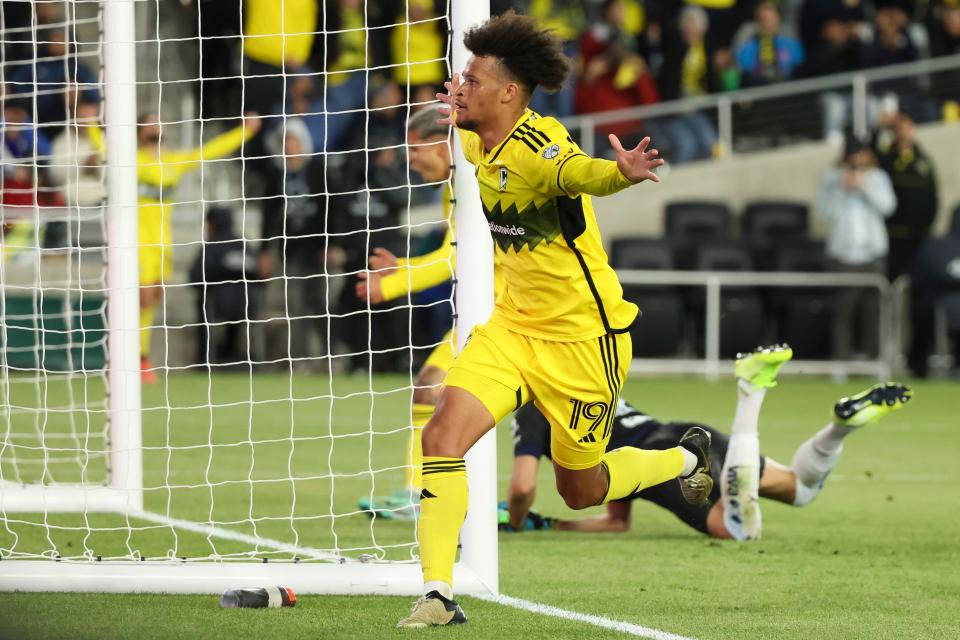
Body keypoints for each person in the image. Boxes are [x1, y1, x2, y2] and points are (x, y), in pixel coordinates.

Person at [397, 12, 712, 628]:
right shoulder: (471, 136)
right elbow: (452, 147)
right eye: (461, 75)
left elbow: (576, 171)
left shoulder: (541, 148)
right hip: (512, 329)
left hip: (583, 343)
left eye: (473, 78)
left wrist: (618, 173)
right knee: (442, 435)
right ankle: (438, 593)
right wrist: (446, 116)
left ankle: (686, 460)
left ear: (509, 93)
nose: (459, 86)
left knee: (580, 491)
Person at [504, 345, 913, 538]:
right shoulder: (584, 386)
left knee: (740, 530)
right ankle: (840, 427)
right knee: (801, 490)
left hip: (665, 462)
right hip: (688, 433)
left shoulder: (533, 409)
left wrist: (520, 523)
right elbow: (617, 520)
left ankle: (751, 391)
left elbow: (522, 486)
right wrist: (556, 524)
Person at [89, 113, 261, 383]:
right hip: (136, 242)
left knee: (152, 300)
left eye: (161, 121)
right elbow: (104, 147)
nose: (158, 125)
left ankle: (140, 358)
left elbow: (211, 151)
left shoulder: (173, 162)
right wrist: (88, 123)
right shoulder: (131, 160)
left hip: (162, 243)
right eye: (152, 122)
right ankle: (127, 358)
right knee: (141, 299)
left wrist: (245, 132)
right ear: (140, 130)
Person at [816, 135, 896, 360]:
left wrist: (864, 187)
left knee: (873, 311)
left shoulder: (878, 178)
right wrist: (842, 189)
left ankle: (873, 361)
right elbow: (823, 215)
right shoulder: (831, 179)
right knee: (843, 312)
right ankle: (841, 360)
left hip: (873, 254)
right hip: (843, 255)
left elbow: (888, 207)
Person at [871, 112, 939, 283]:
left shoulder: (923, 160)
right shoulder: (886, 159)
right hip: (893, 238)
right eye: (899, 128)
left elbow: (933, 196)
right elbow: (870, 154)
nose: (904, 132)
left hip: (919, 238)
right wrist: (879, 128)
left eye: (907, 127)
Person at [734, 1, 805, 87]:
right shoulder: (749, 38)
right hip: (758, 83)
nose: (766, 21)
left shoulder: (788, 37)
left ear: (778, 17)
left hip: (787, 81)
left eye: (769, 17)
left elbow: (799, 61)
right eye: (762, 18)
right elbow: (741, 64)